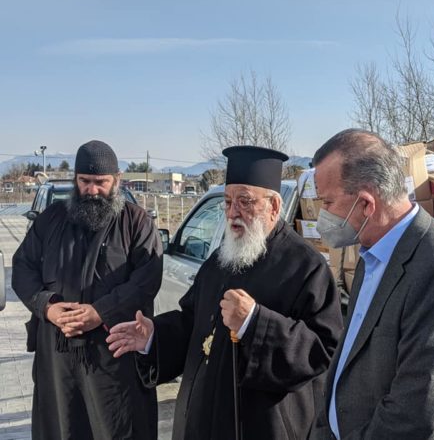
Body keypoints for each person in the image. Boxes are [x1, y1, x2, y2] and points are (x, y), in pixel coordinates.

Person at [107, 145, 343, 440]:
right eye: (228, 202)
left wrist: (254, 324)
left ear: (273, 206)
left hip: (262, 428)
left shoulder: (306, 267)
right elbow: (192, 324)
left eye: (245, 201)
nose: (233, 213)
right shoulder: (221, 260)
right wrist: (154, 337)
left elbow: (323, 351)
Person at [309, 129, 434, 439]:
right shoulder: (372, 255)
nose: (322, 215)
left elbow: (415, 415)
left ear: (366, 204)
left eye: (327, 202)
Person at [12, 140, 163, 440]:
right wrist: (48, 307)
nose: (92, 190)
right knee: (63, 428)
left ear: (117, 180)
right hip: (58, 363)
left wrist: (100, 312)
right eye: (84, 181)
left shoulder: (137, 223)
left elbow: (146, 281)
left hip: (115, 362)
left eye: (100, 182)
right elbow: (22, 268)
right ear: (75, 179)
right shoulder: (51, 219)